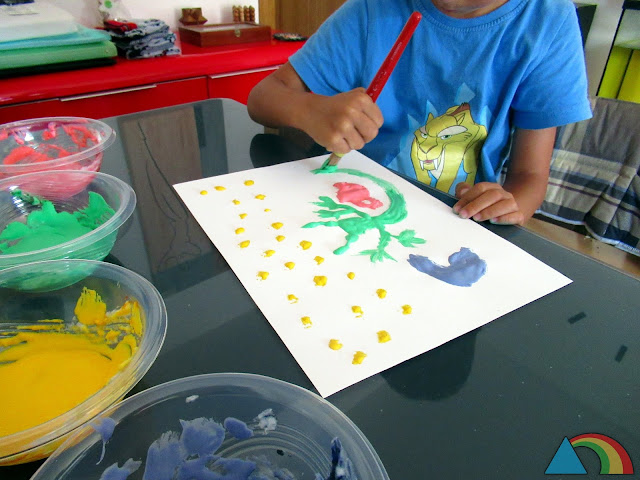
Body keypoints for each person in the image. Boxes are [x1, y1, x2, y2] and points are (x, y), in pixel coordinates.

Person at [247, 0, 592, 225]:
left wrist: (508, 207)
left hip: (454, 223)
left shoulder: (548, 21)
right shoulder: (372, 10)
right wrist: (311, 110)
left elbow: (530, 176)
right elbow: (262, 98)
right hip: (344, 204)